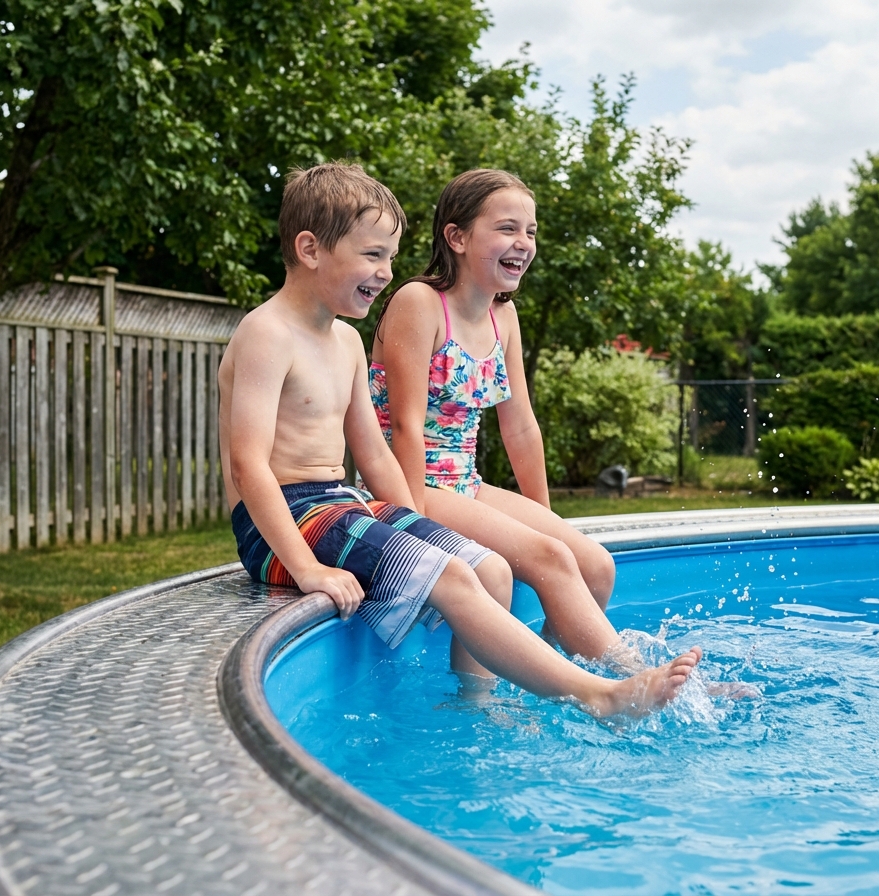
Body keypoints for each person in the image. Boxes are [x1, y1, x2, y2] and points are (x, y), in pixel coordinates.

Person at [219, 162, 700, 717]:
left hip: (340, 503)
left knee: (491, 569)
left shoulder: (346, 341)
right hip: (282, 521)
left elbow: (372, 450)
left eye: (390, 257)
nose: (384, 272)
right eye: (373, 256)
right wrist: (306, 567)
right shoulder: (266, 333)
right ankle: (600, 695)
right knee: (451, 572)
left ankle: (480, 708)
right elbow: (246, 465)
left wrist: (410, 524)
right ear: (310, 249)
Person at [370, 168, 626, 663]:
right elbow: (404, 424)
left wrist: (545, 519)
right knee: (551, 560)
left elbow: (521, 426)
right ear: (457, 237)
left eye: (531, 231)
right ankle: (631, 682)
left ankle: (549, 679)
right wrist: (411, 518)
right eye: (508, 228)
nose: (524, 242)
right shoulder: (419, 303)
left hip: (466, 481)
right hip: (411, 484)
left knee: (594, 565)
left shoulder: (502, 316)